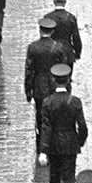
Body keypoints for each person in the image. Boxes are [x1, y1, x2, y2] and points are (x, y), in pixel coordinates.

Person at [41, 62, 89, 183]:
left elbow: (46, 127)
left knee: (54, 174)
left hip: (54, 144)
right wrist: (79, 141)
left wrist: (43, 150)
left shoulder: (47, 102)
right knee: (69, 175)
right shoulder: (75, 101)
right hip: (70, 143)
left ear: (54, 80)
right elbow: (82, 126)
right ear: (68, 80)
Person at [23, 15, 69, 162]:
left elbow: (29, 70)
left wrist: (28, 90)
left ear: (40, 30)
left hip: (39, 88)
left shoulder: (33, 47)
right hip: (55, 87)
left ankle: (40, 146)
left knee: (40, 117)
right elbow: (65, 68)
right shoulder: (58, 48)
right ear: (52, 31)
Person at [44, 0, 83, 64]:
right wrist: (77, 53)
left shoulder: (47, 17)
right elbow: (76, 38)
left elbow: (44, 37)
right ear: (65, 1)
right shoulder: (71, 18)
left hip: (52, 53)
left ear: (54, 1)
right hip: (67, 53)